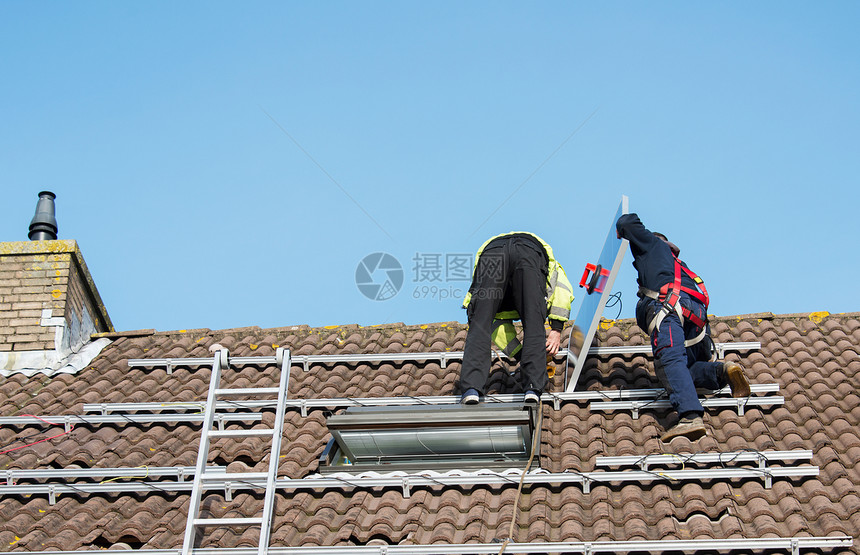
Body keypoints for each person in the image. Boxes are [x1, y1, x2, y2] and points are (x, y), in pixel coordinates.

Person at [616, 213, 751, 442]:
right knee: (684, 370)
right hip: (696, 322)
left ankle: (690, 416)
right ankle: (721, 371)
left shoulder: (651, 244)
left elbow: (627, 222)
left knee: (669, 361)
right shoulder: (679, 265)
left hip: (669, 309)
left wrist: (622, 233)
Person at [459, 232, 574, 404]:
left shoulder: (499, 307)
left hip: (493, 251)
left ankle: (471, 388)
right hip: (529, 251)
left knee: (481, 322)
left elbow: (494, 328)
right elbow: (563, 291)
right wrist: (556, 329)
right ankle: (532, 386)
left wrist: (521, 355)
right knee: (533, 320)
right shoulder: (552, 267)